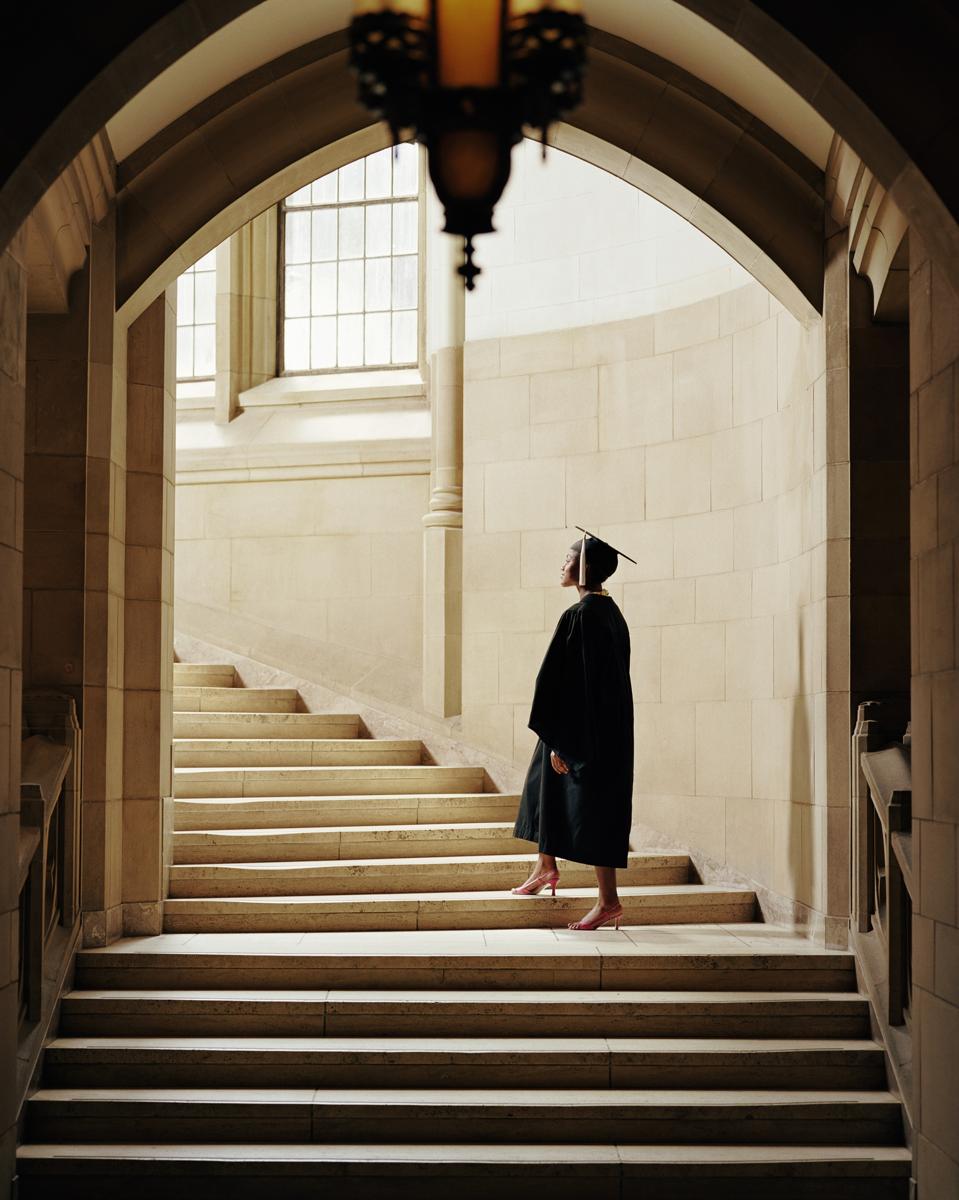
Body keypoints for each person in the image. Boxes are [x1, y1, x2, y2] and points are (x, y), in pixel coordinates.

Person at [511, 529, 634, 931]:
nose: (562, 565)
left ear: (584, 567)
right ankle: (545, 866)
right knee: (541, 784)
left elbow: (568, 683)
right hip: (604, 728)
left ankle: (608, 902)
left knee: (596, 810)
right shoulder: (611, 612)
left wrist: (564, 741)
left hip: (583, 729)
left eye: (568, 558)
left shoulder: (580, 616)